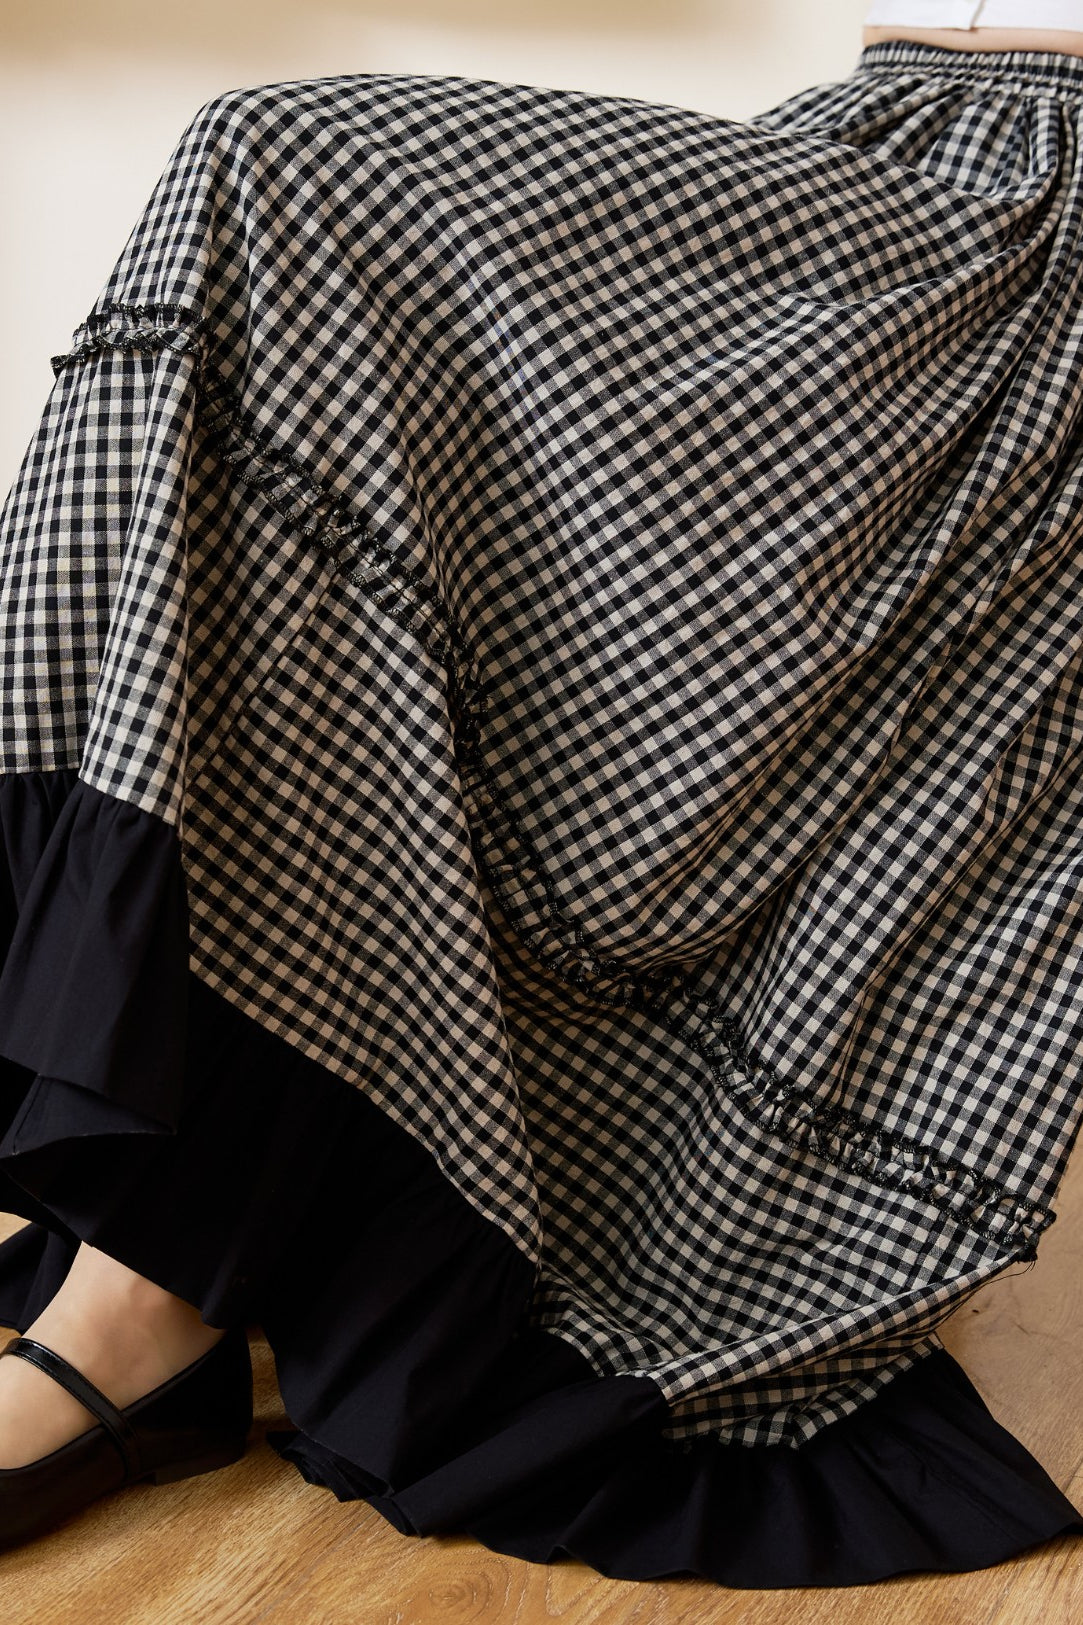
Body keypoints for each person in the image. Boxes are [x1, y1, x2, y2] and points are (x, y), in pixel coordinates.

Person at [1, 0, 1082, 1588]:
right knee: (377, 437)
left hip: (1027, 230)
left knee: (282, 168)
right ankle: (152, 1267)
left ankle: (139, 1306)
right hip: (880, 137)